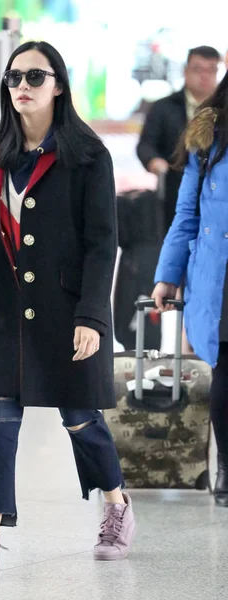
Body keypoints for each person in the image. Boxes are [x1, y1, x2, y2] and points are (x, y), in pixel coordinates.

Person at [0, 41, 136, 579]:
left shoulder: (89, 154)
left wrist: (93, 316)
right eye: (13, 77)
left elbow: (103, 244)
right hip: (6, 307)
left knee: (80, 418)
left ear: (59, 85)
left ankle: (117, 506)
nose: (21, 85)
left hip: (66, 308)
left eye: (34, 75)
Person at [152, 70, 228, 508]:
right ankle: (226, 467)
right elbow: (187, 215)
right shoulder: (210, 133)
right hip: (219, 273)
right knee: (225, 373)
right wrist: (168, 274)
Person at [137, 45, 220, 232]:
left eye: (212, 70)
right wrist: (154, 161)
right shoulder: (163, 108)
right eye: (198, 69)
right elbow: (146, 144)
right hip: (177, 190)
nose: (205, 76)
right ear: (186, 71)